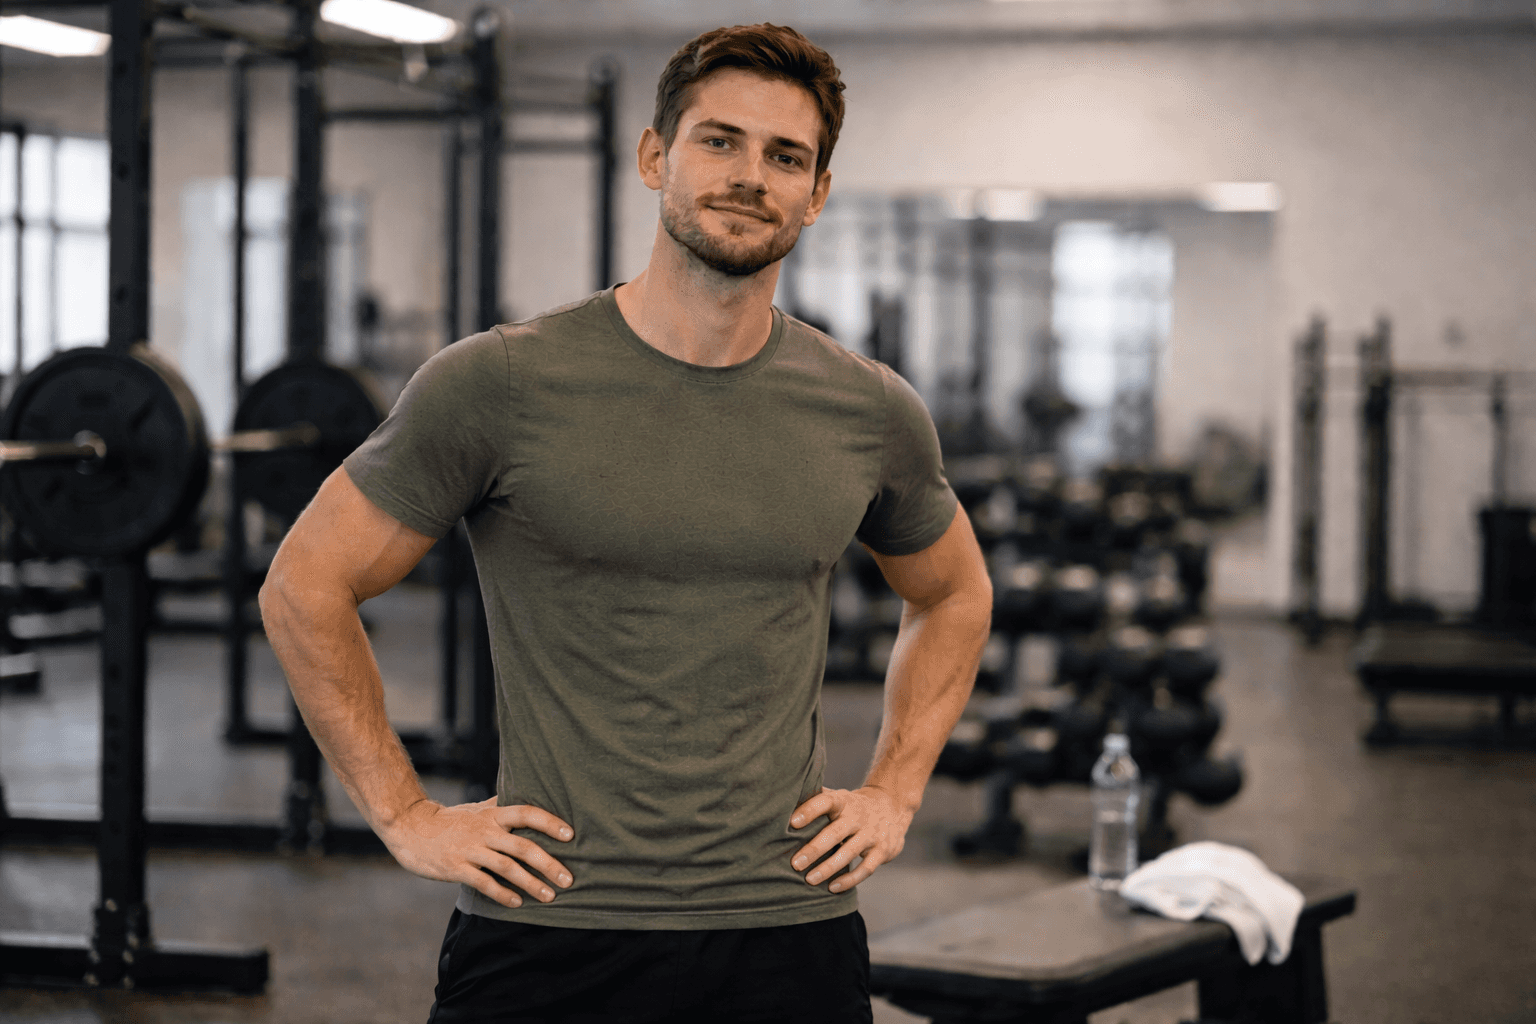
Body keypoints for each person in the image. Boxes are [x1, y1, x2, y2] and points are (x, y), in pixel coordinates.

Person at [260, 22, 992, 1024]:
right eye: (719, 141)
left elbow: (954, 591)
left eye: (787, 156)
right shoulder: (499, 383)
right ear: (657, 157)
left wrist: (894, 792)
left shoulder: (868, 410)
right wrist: (404, 813)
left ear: (816, 194)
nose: (750, 176)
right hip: (548, 927)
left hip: (787, 928)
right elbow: (304, 583)